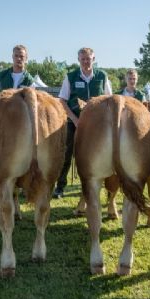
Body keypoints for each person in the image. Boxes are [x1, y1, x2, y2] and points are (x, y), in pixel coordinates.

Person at [53, 47, 112, 199]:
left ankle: (98, 183)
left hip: (98, 124)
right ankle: (60, 186)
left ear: (94, 59)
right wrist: (74, 119)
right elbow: (62, 100)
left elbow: (109, 100)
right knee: (66, 153)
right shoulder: (71, 76)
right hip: (74, 121)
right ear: (78, 60)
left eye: (89, 58)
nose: (86, 62)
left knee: (101, 153)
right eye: (83, 59)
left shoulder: (102, 76)